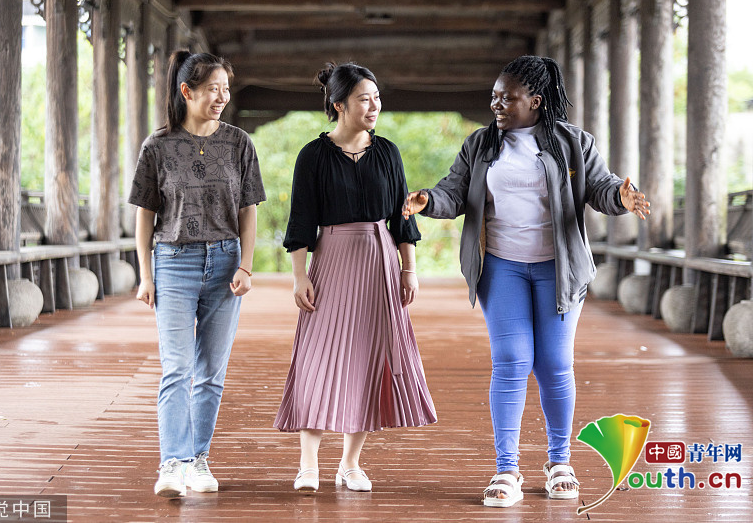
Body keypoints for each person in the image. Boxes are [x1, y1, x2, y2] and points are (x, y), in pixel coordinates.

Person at [402, 55, 650, 508]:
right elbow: (453, 192)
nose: (496, 104)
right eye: (494, 97)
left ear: (535, 100)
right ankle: (506, 469)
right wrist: (427, 200)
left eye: (507, 97)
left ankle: (560, 462)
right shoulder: (480, 144)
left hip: (559, 267)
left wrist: (621, 197)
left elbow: (600, 187)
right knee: (512, 361)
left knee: (554, 364)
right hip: (502, 267)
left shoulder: (573, 142)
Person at [273, 62, 437, 493]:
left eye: (377, 98)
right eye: (365, 98)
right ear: (339, 104)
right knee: (317, 359)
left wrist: (409, 269)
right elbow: (301, 220)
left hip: (380, 262)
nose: (374, 105)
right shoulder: (313, 155)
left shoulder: (388, 153)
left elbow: (403, 217)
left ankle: (350, 464)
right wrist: (299, 276)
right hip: (331, 260)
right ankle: (308, 463)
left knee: (369, 360)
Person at [129, 50, 266, 498]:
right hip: (173, 262)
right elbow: (145, 215)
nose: (221, 97)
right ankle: (172, 462)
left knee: (211, 371)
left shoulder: (239, 143)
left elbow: (248, 210)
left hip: (226, 262)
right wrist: (145, 274)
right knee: (177, 367)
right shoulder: (158, 146)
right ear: (187, 91)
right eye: (212, 89)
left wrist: (246, 265)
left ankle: (198, 460)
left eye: (226, 89)